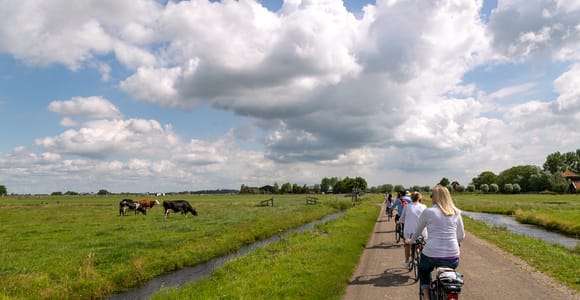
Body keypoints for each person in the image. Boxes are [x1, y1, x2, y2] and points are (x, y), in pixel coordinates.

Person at [413, 186, 465, 300]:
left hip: (431, 254)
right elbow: (461, 236)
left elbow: (418, 231)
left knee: (424, 270)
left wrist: (411, 240)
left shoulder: (428, 212)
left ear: (435, 197)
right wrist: (455, 243)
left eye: (432, 195)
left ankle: (426, 297)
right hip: (452, 257)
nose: (431, 198)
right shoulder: (456, 212)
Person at [400, 191, 427, 267]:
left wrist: (401, 221)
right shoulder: (424, 206)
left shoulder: (407, 206)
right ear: (419, 198)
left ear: (411, 198)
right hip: (422, 232)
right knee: (423, 242)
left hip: (409, 233)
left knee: (407, 243)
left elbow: (402, 219)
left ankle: (407, 261)